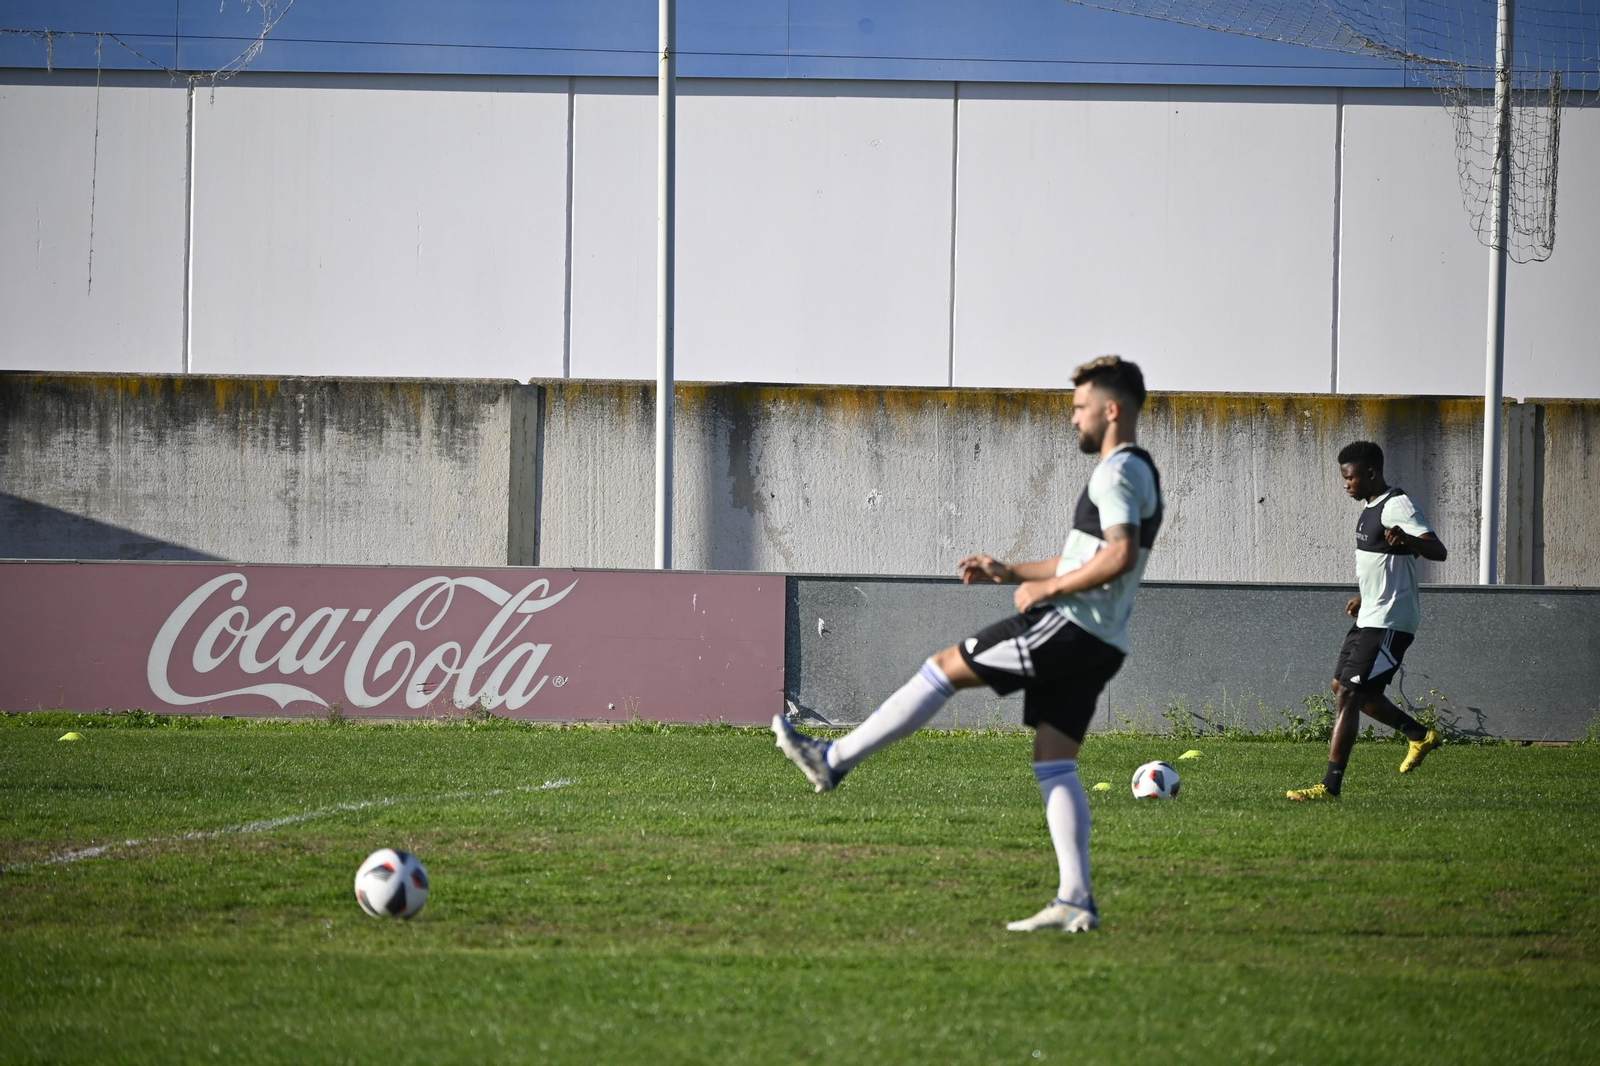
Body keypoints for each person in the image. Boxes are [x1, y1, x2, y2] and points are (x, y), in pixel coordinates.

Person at [772, 355, 1163, 933]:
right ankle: (1076, 898)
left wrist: (1049, 588)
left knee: (943, 667)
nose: (1074, 419)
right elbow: (1087, 554)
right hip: (1100, 638)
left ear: (1112, 410)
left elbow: (1120, 554)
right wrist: (1012, 572)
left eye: (1081, 408)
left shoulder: (1117, 471)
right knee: (1054, 764)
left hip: (1073, 625)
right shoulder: (1132, 470)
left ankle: (832, 761)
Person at [1287, 440, 1447, 802]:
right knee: (1342, 687)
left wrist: (1407, 537)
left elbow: (1438, 550)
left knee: (1350, 693)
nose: (1346, 484)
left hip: (1391, 619)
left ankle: (1330, 787)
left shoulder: (1398, 505)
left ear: (1371, 473)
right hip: (1372, 611)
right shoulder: (1371, 507)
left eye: (1351, 478)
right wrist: (1366, 593)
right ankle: (1419, 735)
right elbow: (1383, 562)